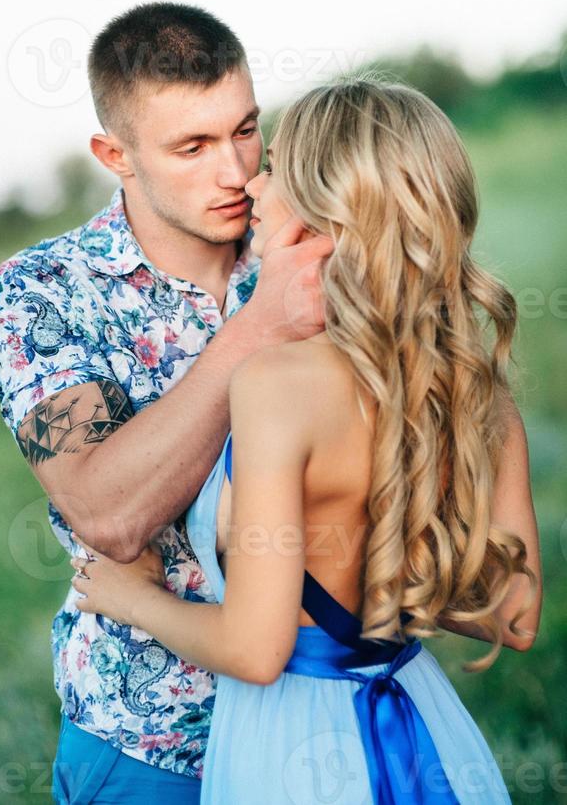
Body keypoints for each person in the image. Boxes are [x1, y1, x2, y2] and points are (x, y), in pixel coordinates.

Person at [71, 78, 543, 804]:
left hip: (298, 741)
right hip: (425, 721)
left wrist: (127, 597)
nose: (254, 186)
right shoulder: (472, 387)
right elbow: (512, 615)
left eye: (276, 169)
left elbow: (256, 652)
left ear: (326, 211)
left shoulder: (277, 385)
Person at [0, 2, 334, 804]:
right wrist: (257, 328)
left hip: (322, 712)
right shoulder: (39, 294)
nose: (236, 172)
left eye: (245, 129)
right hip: (154, 744)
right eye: (192, 147)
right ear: (116, 155)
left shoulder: (305, 243)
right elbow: (108, 516)